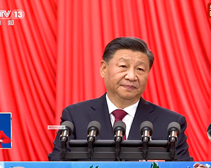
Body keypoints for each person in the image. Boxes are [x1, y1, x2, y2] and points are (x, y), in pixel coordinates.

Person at [48, 37, 192, 161]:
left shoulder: (171, 123)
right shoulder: (74, 116)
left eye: (140, 69)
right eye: (123, 66)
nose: (132, 76)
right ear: (104, 69)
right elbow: (56, 167)